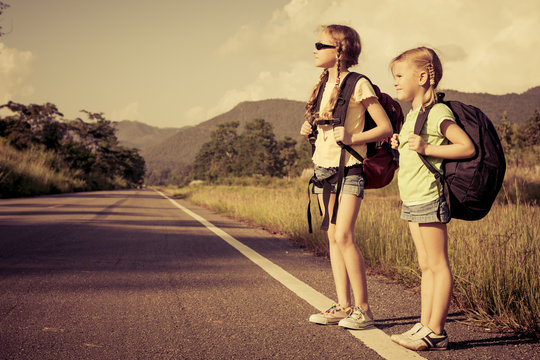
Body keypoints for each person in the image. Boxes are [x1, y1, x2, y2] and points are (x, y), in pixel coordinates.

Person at [300, 24, 392, 329]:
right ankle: (343, 305)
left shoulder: (358, 84)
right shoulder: (322, 85)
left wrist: (352, 136)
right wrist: (309, 129)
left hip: (350, 167)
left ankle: (363, 309)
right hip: (324, 169)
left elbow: (385, 128)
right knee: (332, 236)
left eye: (320, 44)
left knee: (344, 236)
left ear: (339, 50)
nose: (314, 49)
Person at [389, 47, 475, 350]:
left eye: (400, 76)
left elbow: (465, 147)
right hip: (412, 199)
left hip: (428, 197)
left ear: (423, 76)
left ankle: (436, 331)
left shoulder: (437, 112)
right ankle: (425, 325)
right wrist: (401, 143)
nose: (396, 82)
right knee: (425, 264)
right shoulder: (412, 115)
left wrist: (426, 148)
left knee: (437, 264)